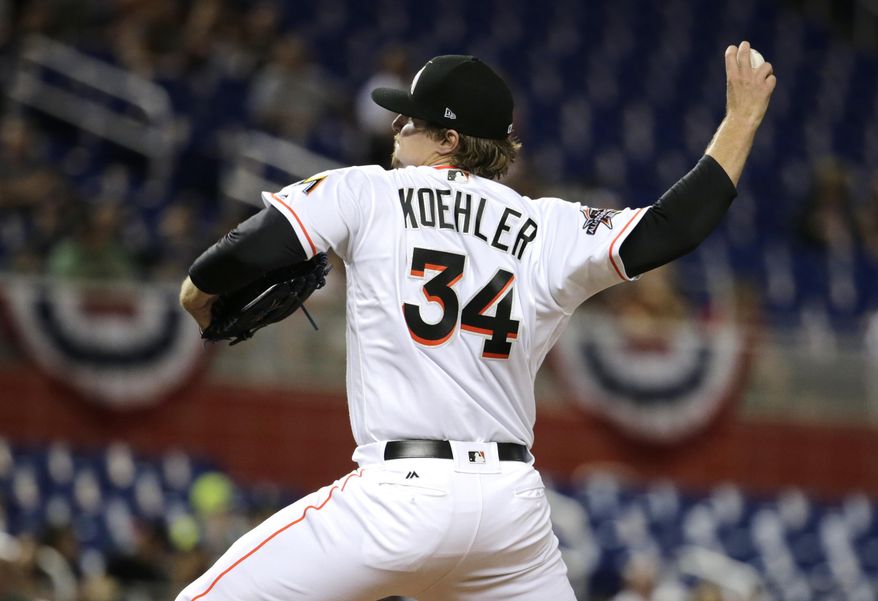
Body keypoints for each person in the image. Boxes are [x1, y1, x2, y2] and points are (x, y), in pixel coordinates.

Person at [177, 43, 775, 600]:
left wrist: (196, 293)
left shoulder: (369, 191)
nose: (396, 127)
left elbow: (249, 249)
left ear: (449, 139)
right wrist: (742, 119)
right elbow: (673, 226)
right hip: (510, 518)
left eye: (410, 119)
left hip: (399, 498)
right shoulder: (551, 228)